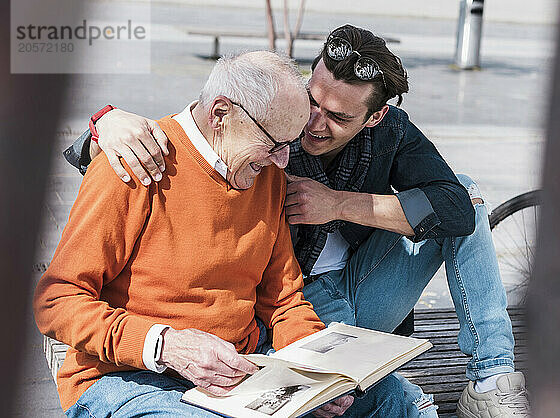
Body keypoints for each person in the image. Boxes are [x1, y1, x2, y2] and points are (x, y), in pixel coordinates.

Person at [65, 25, 531, 417]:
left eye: (339, 116)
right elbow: (203, 122)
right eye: (313, 103)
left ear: (375, 117)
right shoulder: (253, 125)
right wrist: (104, 124)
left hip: (306, 316)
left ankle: (491, 380)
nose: (308, 131)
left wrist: (338, 204)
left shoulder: (314, 146)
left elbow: (453, 209)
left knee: (401, 400)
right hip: (160, 360)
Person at [35, 51, 409, 418]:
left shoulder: (268, 177)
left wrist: (320, 374)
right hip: (130, 376)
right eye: (274, 145)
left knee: (388, 397)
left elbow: (283, 301)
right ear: (220, 114)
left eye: (289, 146)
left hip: (240, 368)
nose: (283, 162)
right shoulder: (135, 165)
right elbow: (55, 302)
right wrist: (165, 345)